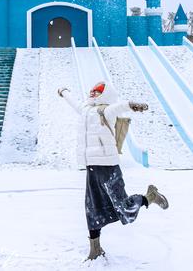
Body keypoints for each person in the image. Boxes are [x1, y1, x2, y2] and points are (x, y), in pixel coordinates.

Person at [58, 81, 169, 261]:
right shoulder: (86, 110)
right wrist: (64, 91)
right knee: (91, 208)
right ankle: (95, 249)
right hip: (91, 167)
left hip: (109, 166)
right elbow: (74, 102)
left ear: (105, 94)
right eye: (92, 90)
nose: (93, 92)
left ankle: (150, 196)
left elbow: (119, 107)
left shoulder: (106, 110)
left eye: (98, 91)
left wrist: (132, 105)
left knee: (124, 209)